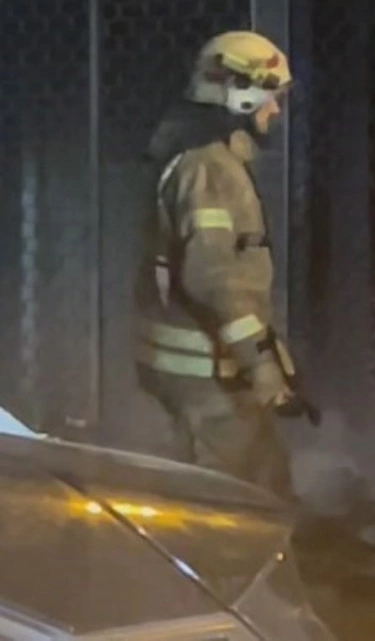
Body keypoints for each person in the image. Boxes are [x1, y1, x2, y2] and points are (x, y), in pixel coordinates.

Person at [134, 30, 303, 498]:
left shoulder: (197, 155)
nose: (276, 110)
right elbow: (214, 279)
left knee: (248, 481)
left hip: (194, 372)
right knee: (242, 500)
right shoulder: (209, 166)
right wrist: (263, 370)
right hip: (208, 379)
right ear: (240, 93)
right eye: (272, 96)